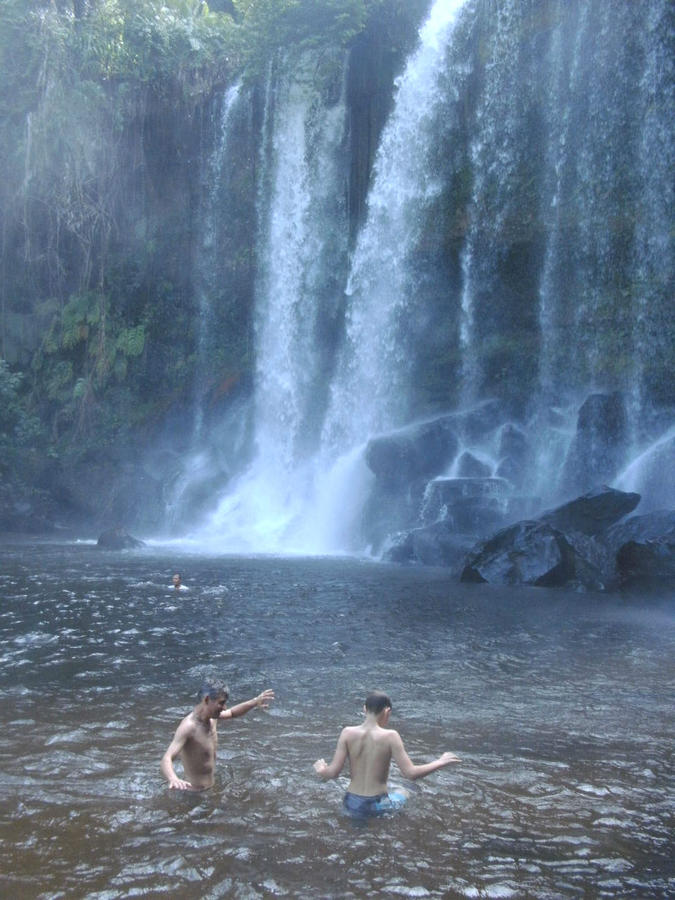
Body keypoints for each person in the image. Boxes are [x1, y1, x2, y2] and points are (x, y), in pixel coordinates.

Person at [313, 690, 460, 817]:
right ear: (387, 711)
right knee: (405, 791)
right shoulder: (390, 736)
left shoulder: (347, 733)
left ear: (364, 709)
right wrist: (440, 761)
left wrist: (321, 769)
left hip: (351, 802)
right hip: (377, 804)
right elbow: (411, 773)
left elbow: (332, 773)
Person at [161, 682, 274, 790]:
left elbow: (231, 713)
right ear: (207, 699)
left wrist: (254, 702)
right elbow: (167, 758)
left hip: (210, 789)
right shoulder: (189, 727)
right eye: (221, 703)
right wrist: (173, 779)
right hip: (194, 793)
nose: (224, 707)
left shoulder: (212, 717)